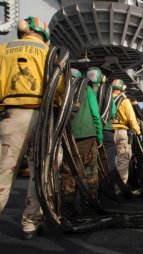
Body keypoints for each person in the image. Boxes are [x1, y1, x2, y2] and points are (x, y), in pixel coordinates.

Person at [0, 16, 65, 239]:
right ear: (45, 35)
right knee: (42, 171)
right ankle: (30, 223)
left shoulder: (4, 48)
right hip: (44, 117)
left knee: (4, 171)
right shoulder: (51, 54)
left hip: (11, 116)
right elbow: (61, 90)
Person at [60, 68, 103, 217]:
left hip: (66, 137)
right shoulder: (87, 89)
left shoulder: (60, 88)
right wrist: (99, 136)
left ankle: (68, 210)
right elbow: (95, 114)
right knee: (90, 173)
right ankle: (89, 208)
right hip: (88, 137)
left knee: (68, 173)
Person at [86, 67, 117, 188]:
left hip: (88, 132)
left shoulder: (84, 89)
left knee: (90, 165)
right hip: (105, 130)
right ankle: (108, 192)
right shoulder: (108, 89)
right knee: (108, 163)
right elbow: (113, 112)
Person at [112, 79, 141, 186]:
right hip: (122, 132)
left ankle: (109, 185)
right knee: (123, 160)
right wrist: (138, 131)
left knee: (109, 160)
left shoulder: (106, 97)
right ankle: (121, 186)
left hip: (108, 132)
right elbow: (131, 118)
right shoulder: (125, 100)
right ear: (123, 88)